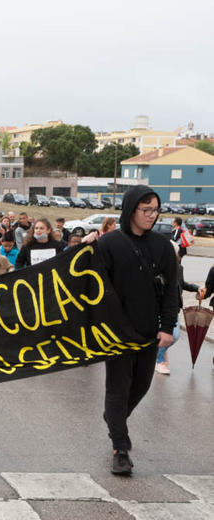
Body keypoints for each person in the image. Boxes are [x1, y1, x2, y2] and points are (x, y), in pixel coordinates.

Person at [95, 185, 177, 476]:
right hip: (115, 333)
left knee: (141, 385)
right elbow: (96, 288)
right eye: (146, 210)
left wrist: (167, 328)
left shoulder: (163, 247)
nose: (152, 216)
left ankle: (114, 419)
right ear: (131, 209)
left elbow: (171, 291)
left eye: (156, 210)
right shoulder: (109, 244)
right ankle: (120, 449)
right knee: (117, 388)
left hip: (148, 332)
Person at [155, 241, 204, 375]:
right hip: (161, 308)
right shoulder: (157, 268)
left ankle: (158, 352)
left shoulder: (178, 268)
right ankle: (158, 361)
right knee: (173, 335)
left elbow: (182, 284)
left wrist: (197, 288)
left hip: (174, 307)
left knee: (174, 336)